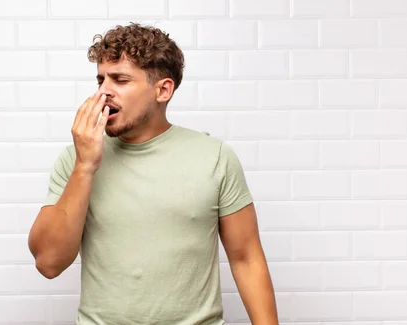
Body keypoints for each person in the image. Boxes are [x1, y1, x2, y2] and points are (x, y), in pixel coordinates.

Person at [28, 22, 279, 325]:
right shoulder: (76, 159)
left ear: (163, 90)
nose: (104, 92)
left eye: (120, 80)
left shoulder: (215, 157)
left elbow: (246, 258)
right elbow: (48, 262)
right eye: (101, 80)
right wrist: (85, 166)